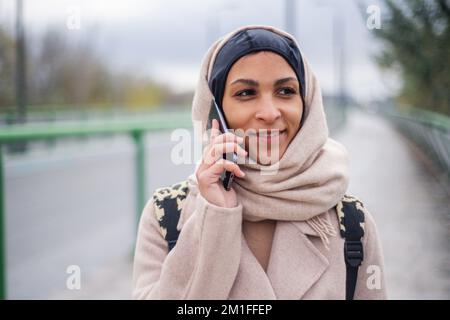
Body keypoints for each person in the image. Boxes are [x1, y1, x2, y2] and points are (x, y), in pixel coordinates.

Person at [132, 25, 387, 299]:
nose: (269, 112)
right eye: (245, 94)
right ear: (214, 111)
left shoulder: (352, 223)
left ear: (307, 102)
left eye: (286, 91)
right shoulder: (166, 215)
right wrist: (216, 216)